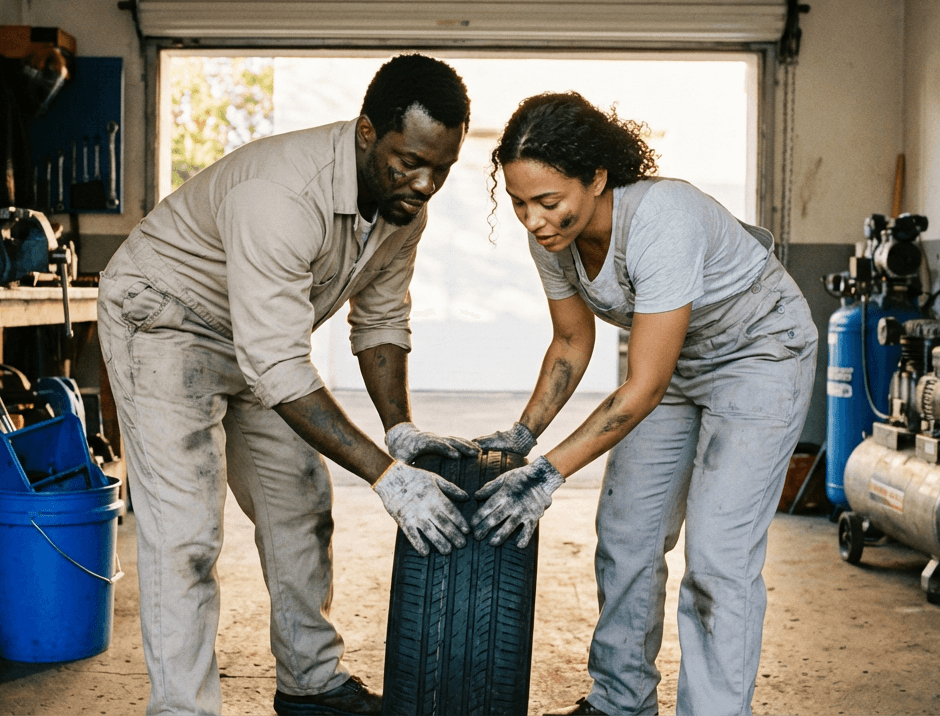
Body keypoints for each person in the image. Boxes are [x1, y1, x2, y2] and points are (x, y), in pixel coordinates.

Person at [97, 54, 479, 716]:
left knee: (302, 507)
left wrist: (401, 433)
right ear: (367, 132)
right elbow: (278, 365)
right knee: (186, 532)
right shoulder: (282, 193)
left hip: (262, 339)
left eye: (439, 169)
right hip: (166, 320)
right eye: (406, 161)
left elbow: (380, 321)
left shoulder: (403, 212)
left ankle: (311, 684)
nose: (422, 182)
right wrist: (385, 475)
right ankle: (183, 709)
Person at [470, 92, 817, 716]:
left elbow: (643, 387)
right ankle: (620, 703)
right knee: (627, 533)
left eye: (549, 202)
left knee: (718, 555)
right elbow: (573, 341)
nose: (534, 220)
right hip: (676, 362)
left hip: (760, 354)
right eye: (520, 203)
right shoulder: (553, 241)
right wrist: (522, 436)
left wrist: (547, 473)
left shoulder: (663, 218)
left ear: (598, 178)